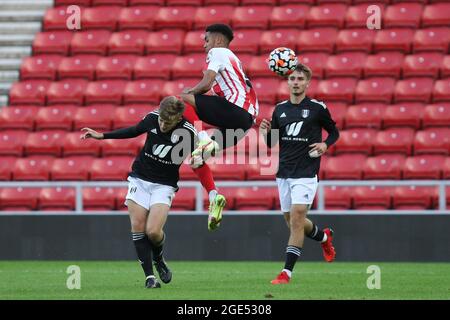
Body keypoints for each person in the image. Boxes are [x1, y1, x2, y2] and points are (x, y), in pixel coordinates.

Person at [80, 96, 225, 288]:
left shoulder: (188, 133)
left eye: (168, 121)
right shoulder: (152, 118)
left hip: (164, 184)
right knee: (138, 227)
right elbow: (133, 131)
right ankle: (149, 277)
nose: (163, 124)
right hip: (139, 179)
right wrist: (102, 136)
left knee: (154, 232)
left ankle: (159, 259)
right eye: (161, 120)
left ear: (179, 118)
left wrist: (212, 191)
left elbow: (199, 164)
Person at [259, 64, 339, 285]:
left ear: (307, 83)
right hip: (284, 171)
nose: (295, 82)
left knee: (296, 219)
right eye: (292, 78)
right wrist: (265, 133)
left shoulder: (317, 108)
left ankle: (286, 273)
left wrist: (325, 145)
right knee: (291, 220)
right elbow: (272, 143)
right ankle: (324, 237)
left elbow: (334, 132)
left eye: (300, 79)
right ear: (288, 82)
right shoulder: (280, 109)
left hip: (306, 171)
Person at [179, 23, 259, 166]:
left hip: (236, 108)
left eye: (207, 40)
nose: (204, 45)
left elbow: (207, 83)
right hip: (246, 122)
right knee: (200, 156)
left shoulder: (217, 52)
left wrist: (188, 93)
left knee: (182, 101)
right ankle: (205, 153)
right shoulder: (233, 58)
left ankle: (203, 138)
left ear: (219, 41)